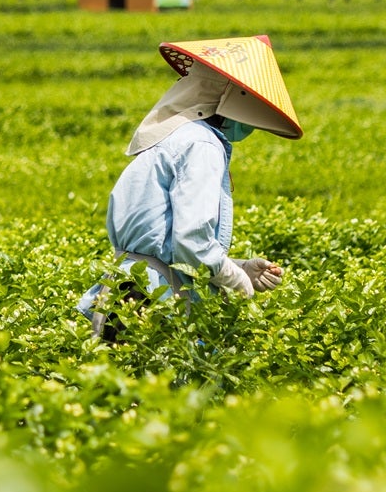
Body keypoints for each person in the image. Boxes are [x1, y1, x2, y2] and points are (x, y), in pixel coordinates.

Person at [80, 35, 303, 341]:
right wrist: (235, 278)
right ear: (230, 100)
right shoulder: (202, 144)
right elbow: (191, 240)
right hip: (154, 298)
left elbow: (163, 239)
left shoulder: (175, 135)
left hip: (124, 288)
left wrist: (238, 265)